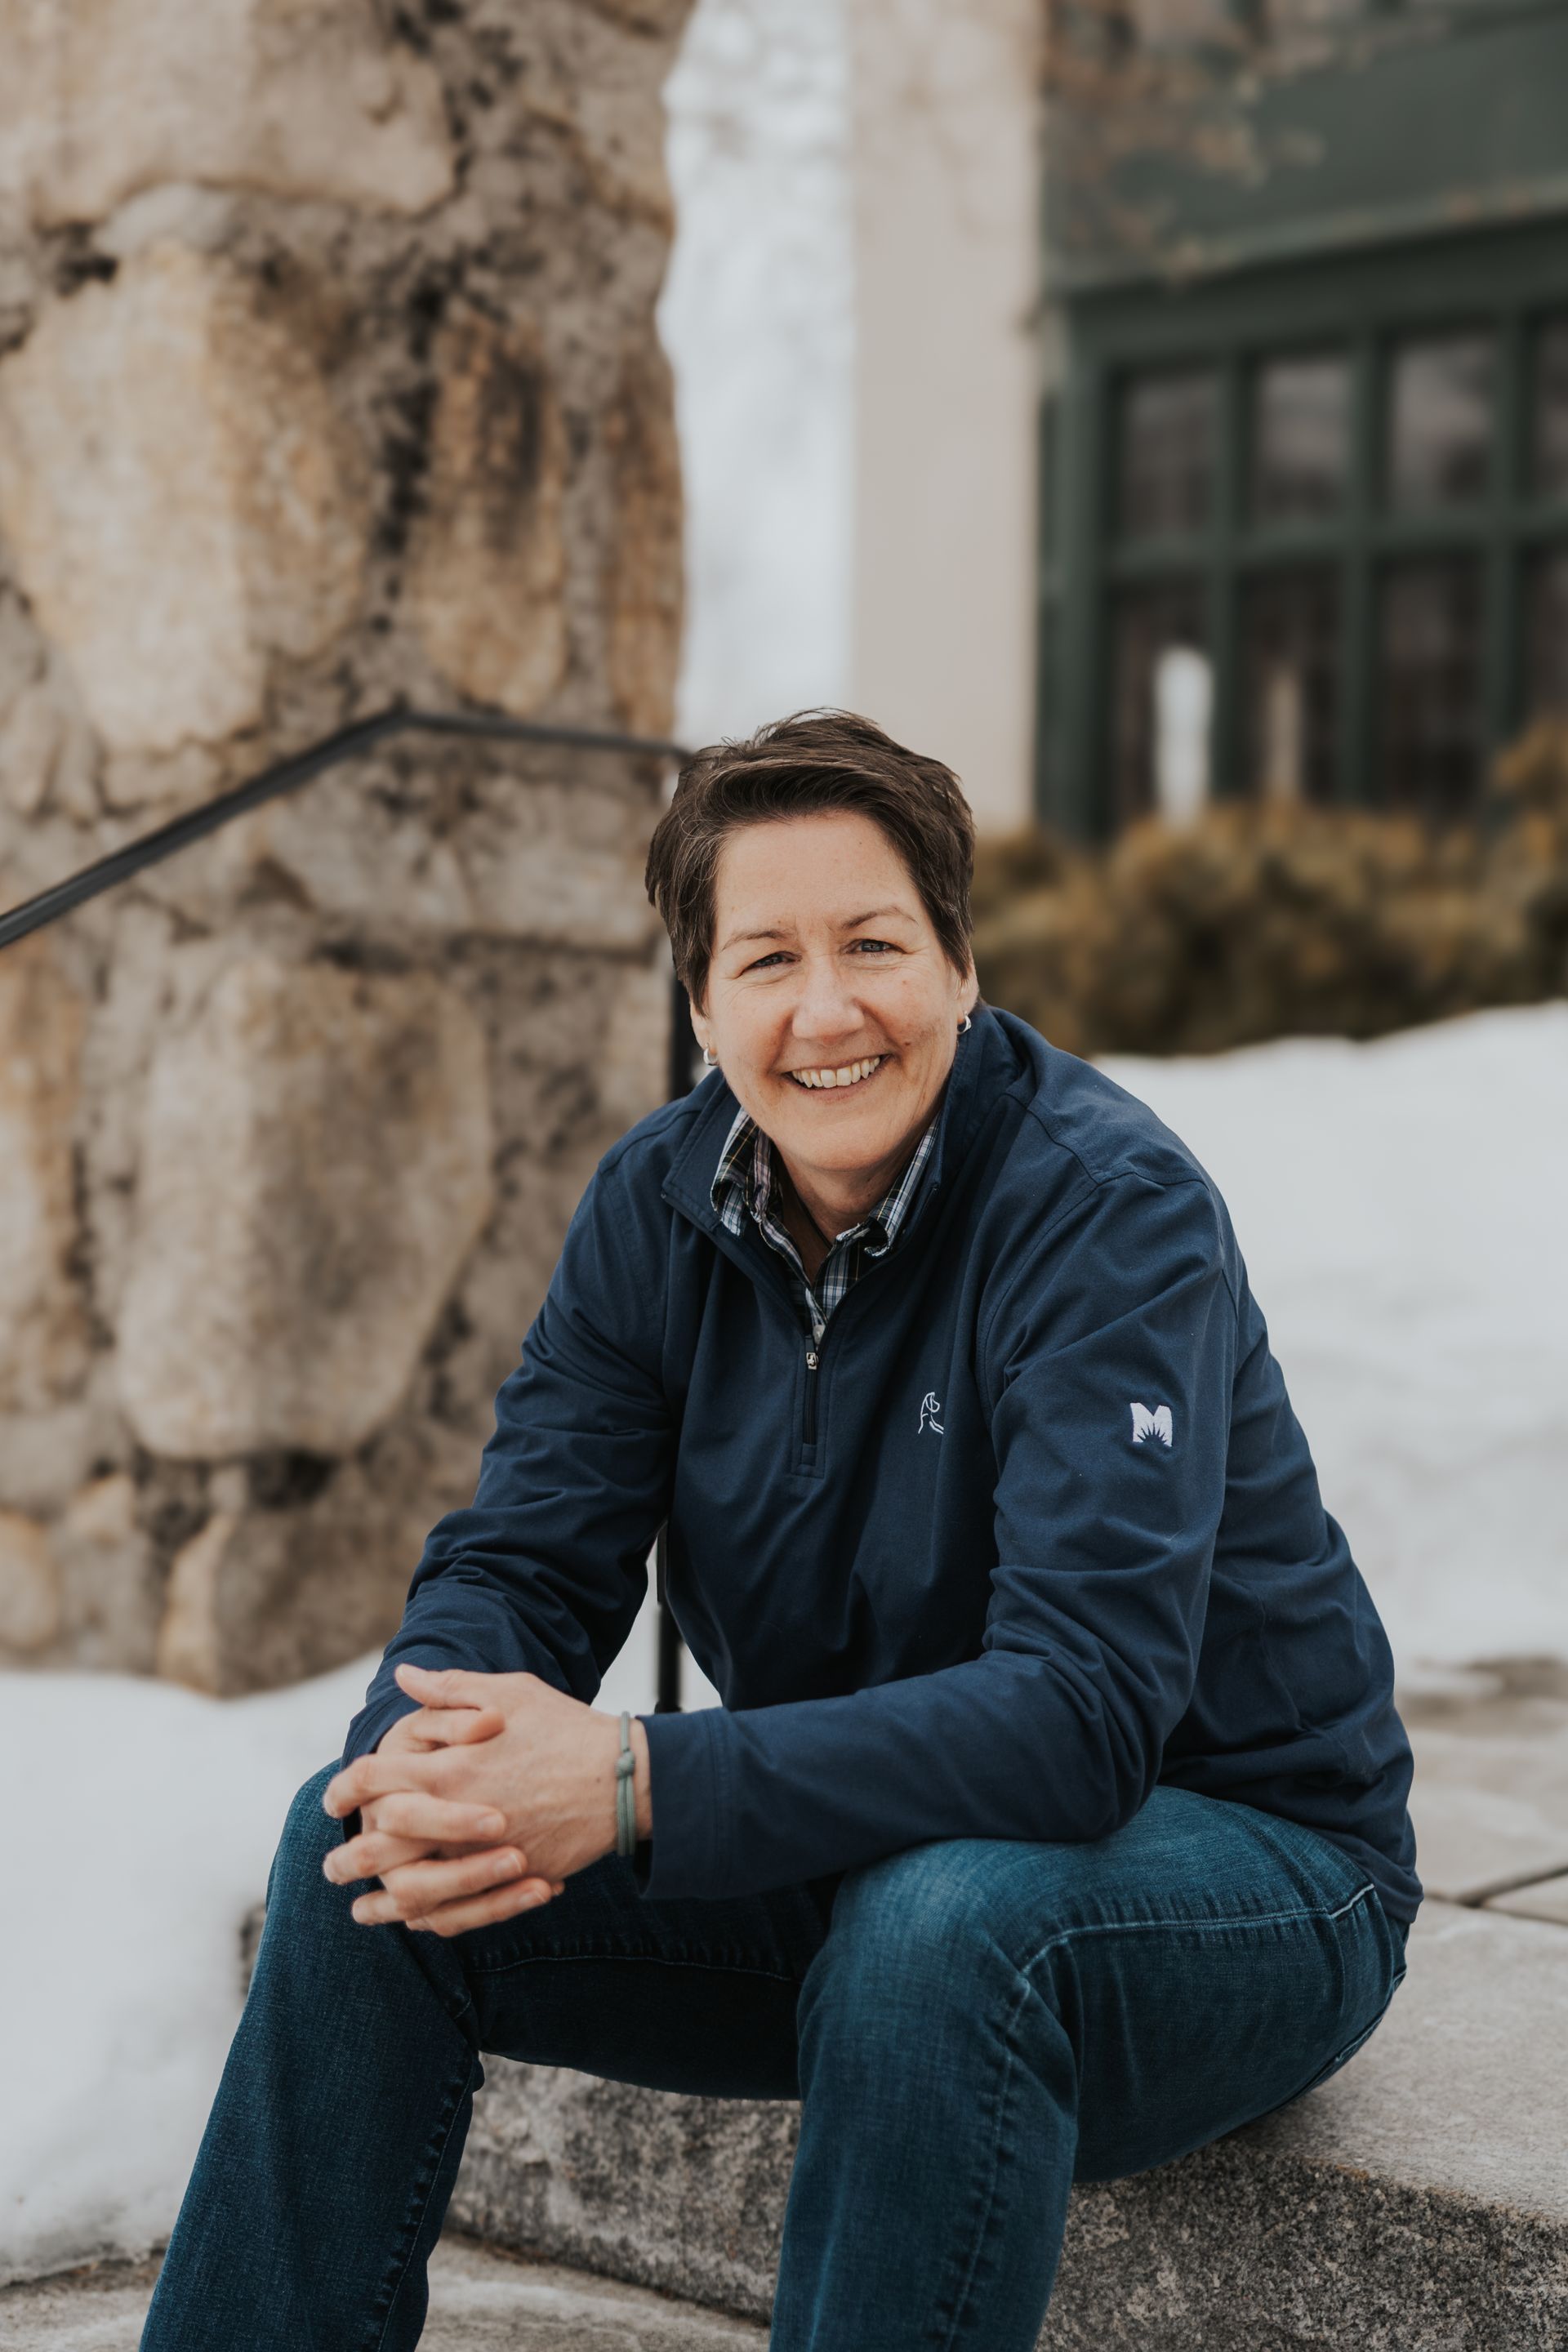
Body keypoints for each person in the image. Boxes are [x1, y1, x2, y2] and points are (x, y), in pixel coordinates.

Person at [142, 710, 1419, 2352]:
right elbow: (523, 1563)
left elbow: (1085, 1718)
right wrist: (429, 1756)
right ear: (701, 1005)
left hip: (1242, 1867)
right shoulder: (655, 1206)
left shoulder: (1108, 1211)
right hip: (871, 1840)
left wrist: (629, 1780)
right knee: (367, 1868)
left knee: (938, 1930)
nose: (827, 1009)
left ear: (961, 966)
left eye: (875, 942)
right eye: (765, 959)